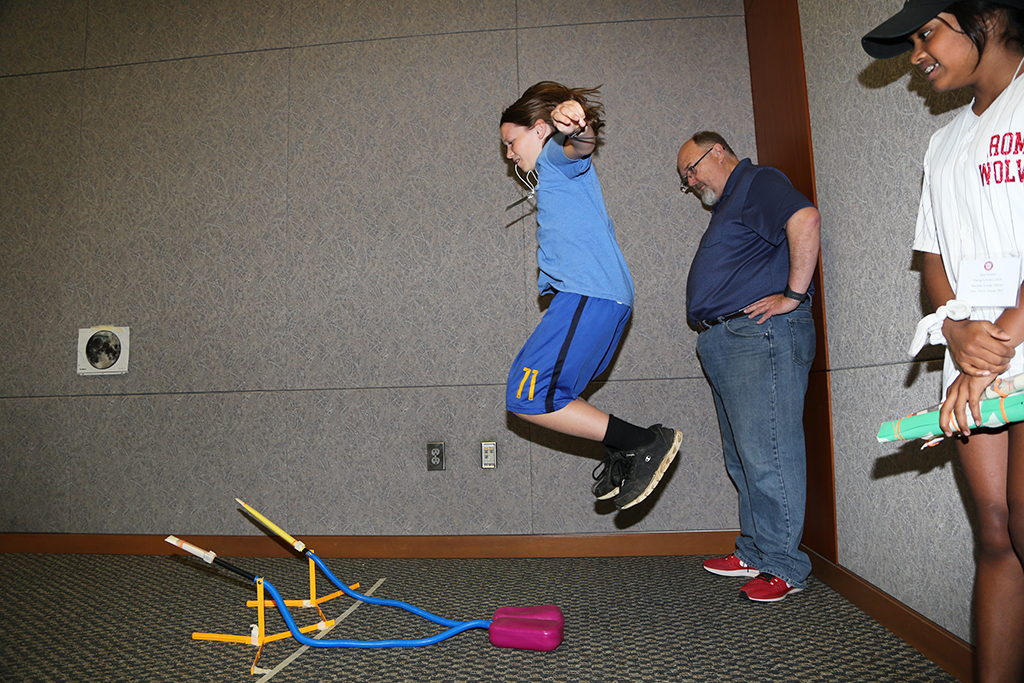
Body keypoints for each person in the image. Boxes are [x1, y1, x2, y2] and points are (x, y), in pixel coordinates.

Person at [863, 2, 1024, 680]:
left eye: (926, 33)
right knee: (995, 533)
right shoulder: (944, 142)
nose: (917, 55)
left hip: (1004, 349)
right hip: (975, 356)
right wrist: (957, 332)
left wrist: (993, 352)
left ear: (983, 18)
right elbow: (933, 262)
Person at [499, 82, 682, 510]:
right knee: (555, 398)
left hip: (588, 296)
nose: (509, 154)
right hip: (598, 301)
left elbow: (578, 145)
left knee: (525, 395)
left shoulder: (554, 161)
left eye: (511, 142)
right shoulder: (550, 176)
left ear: (541, 130)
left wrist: (575, 121)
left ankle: (641, 442)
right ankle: (624, 448)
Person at [678, 131, 821, 602]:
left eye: (692, 169)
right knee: (743, 456)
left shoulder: (755, 181)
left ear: (717, 150)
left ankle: (784, 566)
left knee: (769, 453)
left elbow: (804, 218)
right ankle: (759, 552)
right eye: (686, 179)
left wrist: (794, 296)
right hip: (731, 339)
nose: (692, 181)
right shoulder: (731, 202)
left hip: (758, 336)